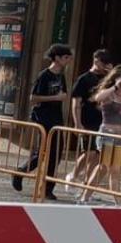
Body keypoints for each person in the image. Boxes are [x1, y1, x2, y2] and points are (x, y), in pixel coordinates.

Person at [13, 43, 72, 199]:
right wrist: (54, 97)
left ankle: (48, 188)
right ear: (57, 58)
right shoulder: (44, 75)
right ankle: (21, 172)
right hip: (43, 118)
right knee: (43, 152)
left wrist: (61, 97)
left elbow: (63, 94)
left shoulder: (61, 75)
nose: (68, 60)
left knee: (57, 152)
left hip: (57, 118)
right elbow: (33, 98)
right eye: (66, 57)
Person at [81, 64, 121, 203]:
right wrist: (115, 86)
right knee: (104, 167)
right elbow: (98, 98)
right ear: (116, 77)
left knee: (116, 169)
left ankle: (118, 203)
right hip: (107, 134)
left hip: (120, 137)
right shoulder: (110, 92)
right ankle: (85, 196)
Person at [64, 49, 112, 195]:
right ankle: (73, 175)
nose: (103, 66)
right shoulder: (84, 79)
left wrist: (111, 74)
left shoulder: (108, 79)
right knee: (89, 152)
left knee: (97, 155)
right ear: (96, 61)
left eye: (106, 64)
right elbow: (76, 102)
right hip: (87, 120)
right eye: (102, 63)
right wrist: (77, 123)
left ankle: (87, 184)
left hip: (103, 121)